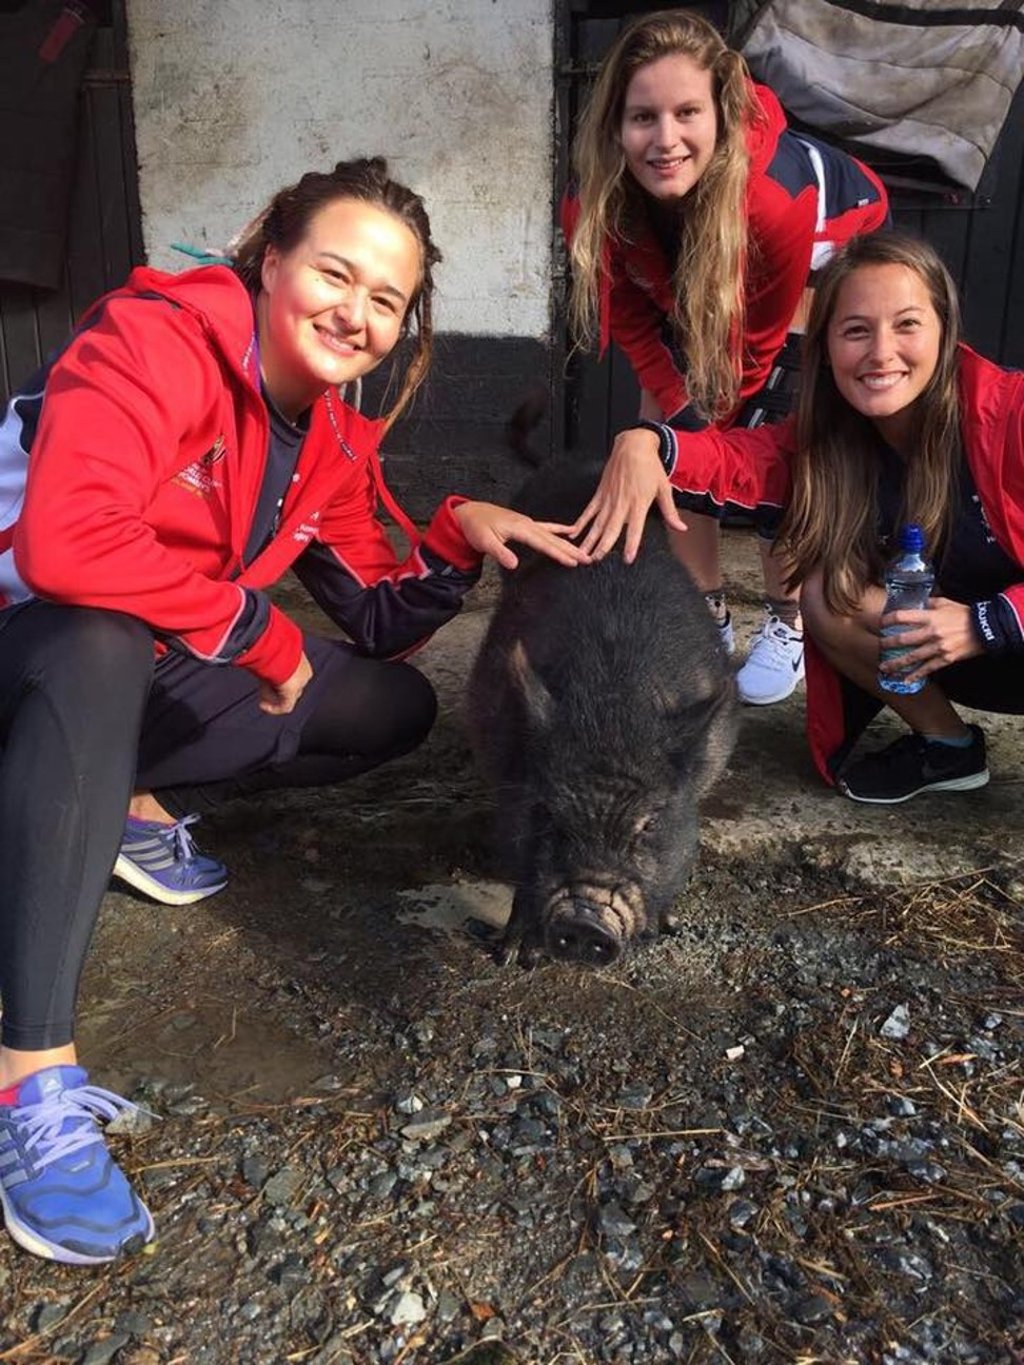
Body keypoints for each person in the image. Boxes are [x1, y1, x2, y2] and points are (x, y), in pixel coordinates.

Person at [0, 156, 589, 1266]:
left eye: (386, 300)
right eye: (335, 272)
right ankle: (29, 1086)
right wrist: (262, 636)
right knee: (97, 631)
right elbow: (65, 544)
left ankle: (120, 801)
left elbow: (376, 619)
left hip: (114, 678)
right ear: (269, 260)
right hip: (28, 647)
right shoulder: (157, 340)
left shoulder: (323, 433)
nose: (355, 313)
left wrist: (460, 533)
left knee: (386, 707)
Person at [574, 229, 1024, 801]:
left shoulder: (1010, 416)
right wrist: (649, 444)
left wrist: (987, 623)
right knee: (826, 592)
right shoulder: (828, 441)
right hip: (948, 650)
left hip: (996, 635)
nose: (881, 352)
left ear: (944, 331)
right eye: (856, 330)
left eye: (907, 324)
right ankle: (948, 748)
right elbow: (734, 464)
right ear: (827, 347)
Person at [563, 8, 889, 705]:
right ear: (614, 125)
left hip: (816, 252)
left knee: (775, 435)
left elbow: (761, 345)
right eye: (642, 117)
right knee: (665, 436)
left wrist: (717, 434)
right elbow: (632, 323)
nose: (665, 138)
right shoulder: (594, 200)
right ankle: (704, 613)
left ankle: (789, 620)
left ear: (722, 112)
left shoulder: (773, 199)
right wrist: (677, 428)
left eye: (687, 112)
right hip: (695, 257)